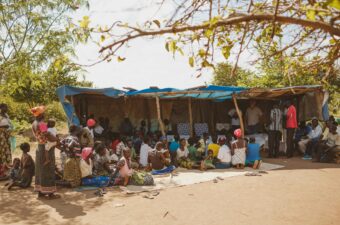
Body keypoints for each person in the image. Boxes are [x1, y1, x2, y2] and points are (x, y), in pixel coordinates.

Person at [31, 106, 59, 199]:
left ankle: (41, 192)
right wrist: (57, 139)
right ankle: (50, 193)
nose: (45, 114)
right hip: (46, 148)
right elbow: (48, 136)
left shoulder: (34, 123)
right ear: (41, 114)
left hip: (39, 147)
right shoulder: (42, 124)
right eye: (43, 112)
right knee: (48, 169)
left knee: (40, 169)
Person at [0, 103, 12, 178]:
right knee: (2, 152)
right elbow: (44, 132)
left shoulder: (6, 115)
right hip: (1, 136)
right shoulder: (41, 123)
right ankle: (2, 171)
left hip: (6, 135)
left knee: (6, 151)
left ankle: (6, 170)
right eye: (5, 107)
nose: (7, 109)